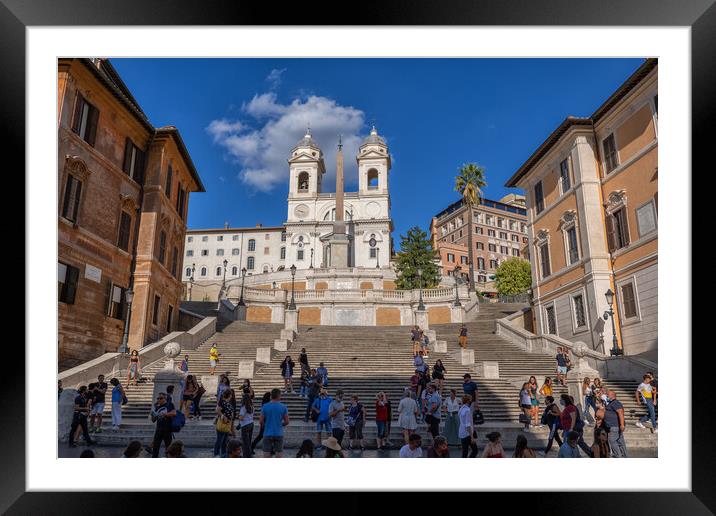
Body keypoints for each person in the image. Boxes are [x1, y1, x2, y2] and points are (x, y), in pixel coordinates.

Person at [260, 388, 289, 458]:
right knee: (279, 455)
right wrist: (280, 424)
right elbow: (287, 422)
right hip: (279, 433)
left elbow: (261, 421)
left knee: (266, 455)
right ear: (279, 396)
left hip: (267, 433)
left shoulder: (265, 406)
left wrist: (266, 425)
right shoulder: (283, 407)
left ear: (271, 396)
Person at [149, 392, 176, 458]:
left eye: (160, 398)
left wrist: (164, 414)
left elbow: (174, 413)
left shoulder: (169, 405)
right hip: (159, 429)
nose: (159, 400)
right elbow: (153, 420)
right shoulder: (157, 407)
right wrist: (153, 415)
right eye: (158, 398)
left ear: (165, 399)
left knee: (168, 447)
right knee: (155, 447)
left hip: (167, 429)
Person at [603, 390, 628, 458]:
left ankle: (618, 456)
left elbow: (620, 412)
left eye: (608, 395)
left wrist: (622, 424)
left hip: (615, 426)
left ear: (612, 395)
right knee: (620, 441)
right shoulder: (612, 403)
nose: (607, 396)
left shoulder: (615, 403)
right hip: (615, 426)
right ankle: (625, 456)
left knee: (612, 440)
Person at [213, 389, 234, 457]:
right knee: (219, 440)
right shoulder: (222, 402)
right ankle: (216, 454)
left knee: (224, 442)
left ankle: (223, 454)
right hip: (223, 423)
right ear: (229, 395)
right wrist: (223, 416)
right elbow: (217, 410)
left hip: (227, 424)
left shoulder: (228, 403)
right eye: (231, 395)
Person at [238, 393, 254, 458]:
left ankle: (246, 456)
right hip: (251, 424)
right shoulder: (252, 407)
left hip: (245, 425)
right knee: (249, 441)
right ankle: (249, 455)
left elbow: (241, 418)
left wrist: (238, 416)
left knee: (244, 443)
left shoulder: (244, 407)